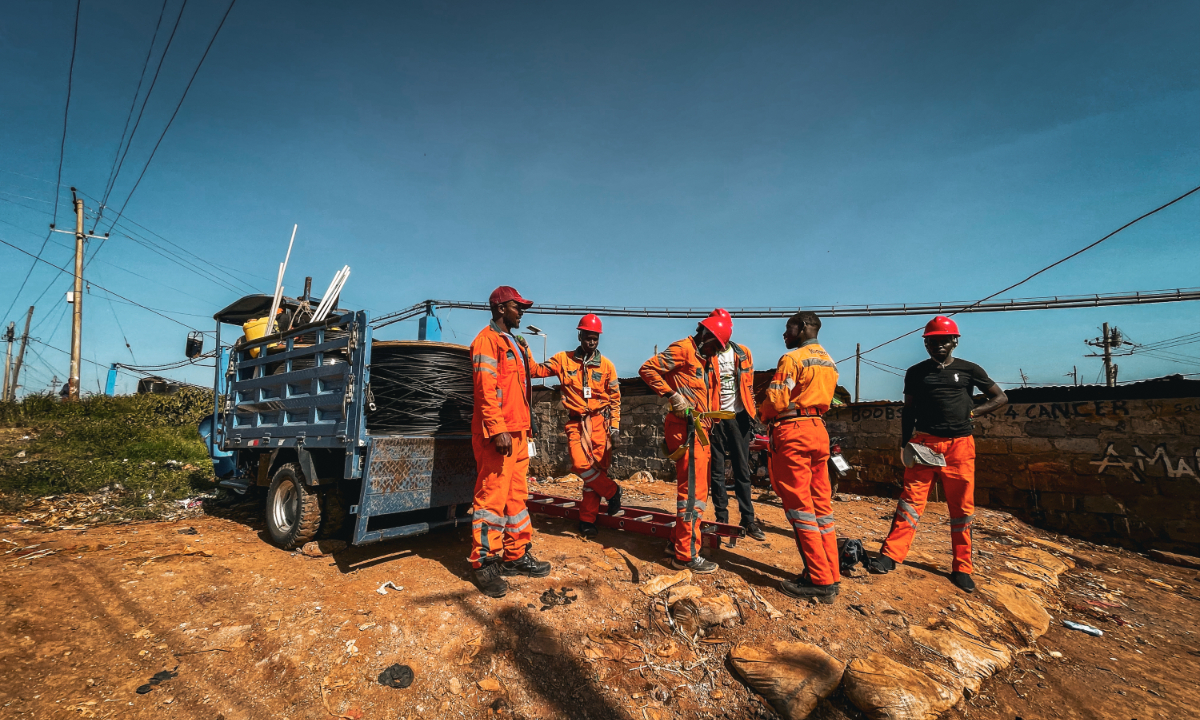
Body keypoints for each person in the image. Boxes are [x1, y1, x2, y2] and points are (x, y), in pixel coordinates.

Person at [868, 316, 1008, 593]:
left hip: (960, 446)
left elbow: (1000, 397)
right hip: (924, 444)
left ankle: (962, 568)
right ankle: (890, 556)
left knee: (962, 509)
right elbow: (909, 410)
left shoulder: (969, 369)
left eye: (944, 340)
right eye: (932, 341)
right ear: (926, 344)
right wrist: (904, 444)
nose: (938, 345)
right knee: (910, 502)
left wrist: (973, 413)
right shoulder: (916, 372)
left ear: (955, 341)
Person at [467, 286, 552, 598]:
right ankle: (484, 563)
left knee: (516, 497)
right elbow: (485, 389)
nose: (522, 312)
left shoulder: (514, 342)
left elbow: (528, 376)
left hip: (518, 432)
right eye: (518, 307)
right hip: (498, 434)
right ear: (501, 308)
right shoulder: (486, 341)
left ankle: (515, 555)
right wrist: (497, 428)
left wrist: (563, 364)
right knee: (491, 498)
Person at [760, 311, 841, 603]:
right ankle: (831, 574)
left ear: (804, 326)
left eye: (788, 328)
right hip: (818, 430)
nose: (784, 334)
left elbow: (776, 400)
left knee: (800, 508)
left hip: (793, 432)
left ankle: (819, 580)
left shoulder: (792, 359)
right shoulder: (829, 361)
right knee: (821, 507)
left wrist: (762, 413)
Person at [639, 314, 730, 573]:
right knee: (692, 494)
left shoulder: (707, 359)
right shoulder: (683, 349)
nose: (716, 352)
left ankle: (677, 543)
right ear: (706, 336)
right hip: (686, 428)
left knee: (698, 492)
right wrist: (672, 395)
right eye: (715, 346)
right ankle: (685, 555)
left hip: (701, 429)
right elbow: (647, 369)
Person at [530, 314, 624, 538]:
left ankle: (587, 520)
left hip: (600, 423)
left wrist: (615, 428)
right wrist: (524, 350)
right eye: (588, 337)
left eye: (595, 338)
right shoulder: (563, 360)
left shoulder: (607, 366)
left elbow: (615, 398)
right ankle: (612, 491)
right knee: (581, 465)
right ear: (579, 336)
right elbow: (535, 371)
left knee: (597, 473)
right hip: (576, 422)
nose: (591, 342)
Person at [707, 309, 766, 541]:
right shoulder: (706, 355)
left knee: (742, 470)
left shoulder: (743, 353)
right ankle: (721, 519)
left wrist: (752, 414)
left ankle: (748, 520)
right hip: (715, 419)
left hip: (739, 418)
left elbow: (748, 386)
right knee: (717, 471)